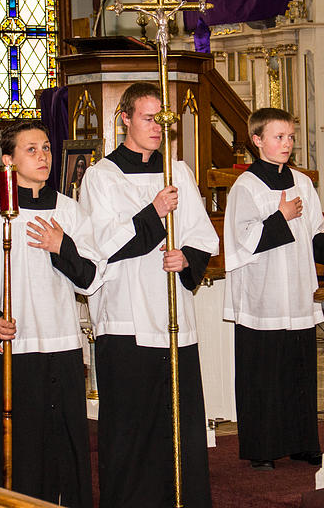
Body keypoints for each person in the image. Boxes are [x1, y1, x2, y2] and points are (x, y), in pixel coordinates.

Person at [76, 82, 218, 508]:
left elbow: (201, 236)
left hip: (175, 316)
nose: (157, 127)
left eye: (163, 119)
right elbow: (105, 245)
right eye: (148, 118)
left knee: (178, 423)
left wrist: (186, 258)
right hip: (126, 318)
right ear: (125, 119)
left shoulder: (179, 171)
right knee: (131, 425)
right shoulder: (101, 177)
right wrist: (154, 213)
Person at [0, 120, 98, 507]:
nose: (43, 156)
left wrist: (61, 245)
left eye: (47, 148)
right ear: (8, 161)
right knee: (19, 445)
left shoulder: (70, 211)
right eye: (31, 150)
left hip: (63, 342)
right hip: (18, 347)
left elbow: (90, 279)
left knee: (64, 441)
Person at [223, 108, 324, 471]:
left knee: (298, 372)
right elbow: (241, 242)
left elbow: (311, 238)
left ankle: (301, 441)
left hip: (296, 293)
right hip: (262, 296)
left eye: (290, 137)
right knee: (262, 375)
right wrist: (279, 216)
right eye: (279, 137)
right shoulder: (246, 186)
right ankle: (262, 448)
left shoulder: (302, 182)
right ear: (257, 140)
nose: (287, 143)